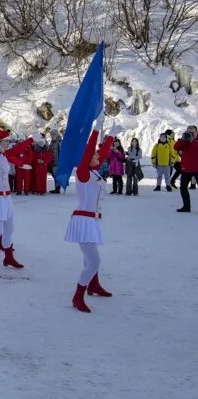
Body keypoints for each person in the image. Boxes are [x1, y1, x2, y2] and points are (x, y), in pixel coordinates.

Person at [67, 125, 117, 313]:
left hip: (93, 220)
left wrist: (111, 136)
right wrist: (95, 131)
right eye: (93, 156)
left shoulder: (94, 172)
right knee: (94, 261)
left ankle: (94, 285)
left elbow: (102, 154)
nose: (98, 157)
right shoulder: (83, 173)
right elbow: (90, 151)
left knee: (90, 258)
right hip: (83, 221)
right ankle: (77, 296)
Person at [0, 129, 34, 278]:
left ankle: (8, 257)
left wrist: (30, 140)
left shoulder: (4, 155)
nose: (8, 144)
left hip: (6, 198)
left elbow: (16, 151)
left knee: (9, 229)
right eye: (5, 141)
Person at [174, 125, 198, 213]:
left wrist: (192, 140)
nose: (190, 134)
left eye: (192, 132)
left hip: (197, 168)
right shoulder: (184, 141)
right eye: (189, 132)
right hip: (186, 169)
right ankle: (186, 206)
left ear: (196, 132)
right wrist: (182, 139)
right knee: (183, 188)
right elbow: (176, 147)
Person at [48, 129, 63, 194]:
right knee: (54, 175)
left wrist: (60, 162)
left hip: (57, 162)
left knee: (56, 175)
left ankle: (57, 189)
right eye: (51, 134)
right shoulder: (52, 142)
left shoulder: (59, 142)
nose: (51, 135)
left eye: (52, 134)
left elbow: (61, 153)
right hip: (52, 161)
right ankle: (56, 187)